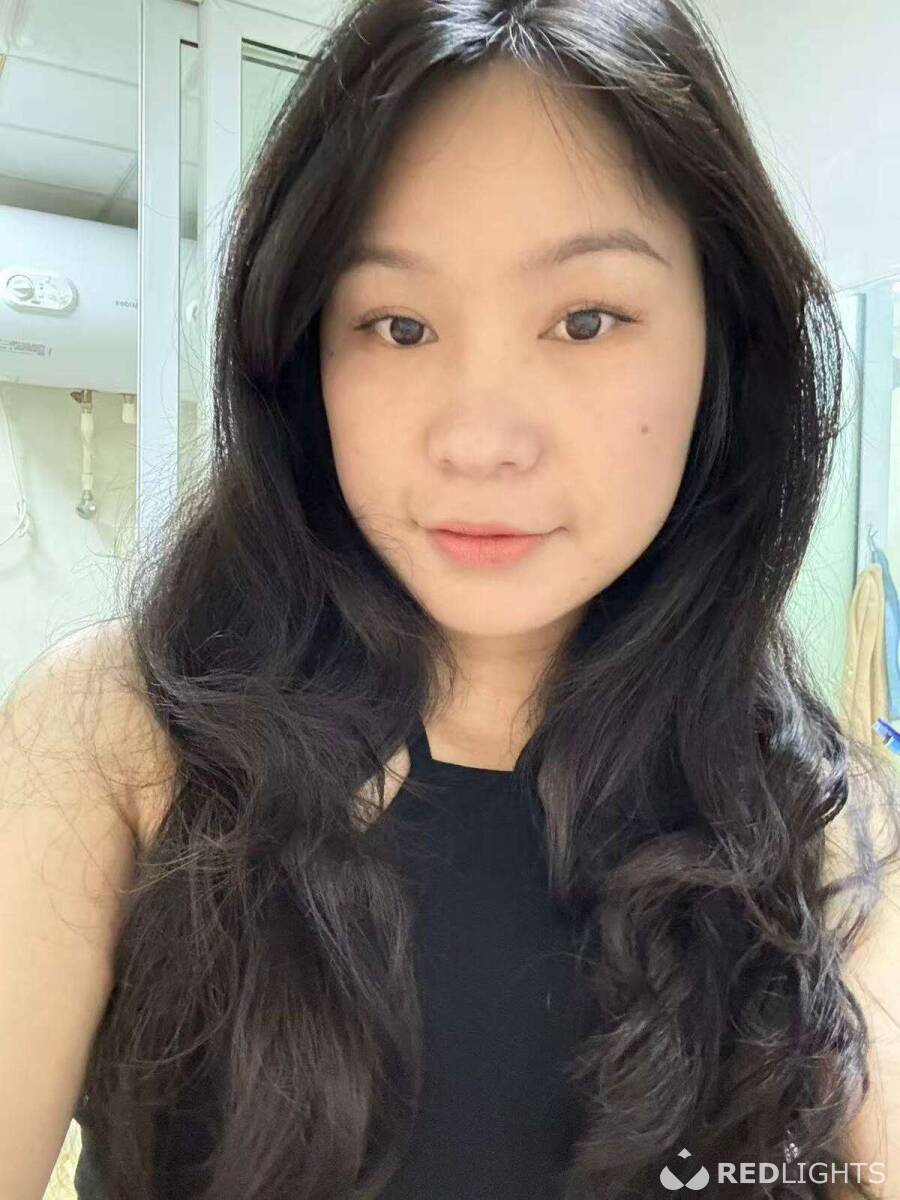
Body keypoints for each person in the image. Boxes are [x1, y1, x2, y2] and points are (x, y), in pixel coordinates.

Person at [2, 1, 900, 1197]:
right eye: (399, 325)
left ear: (722, 348)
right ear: (302, 358)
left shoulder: (817, 818)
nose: (479, 440)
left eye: (586, 321)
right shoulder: (121, 737)